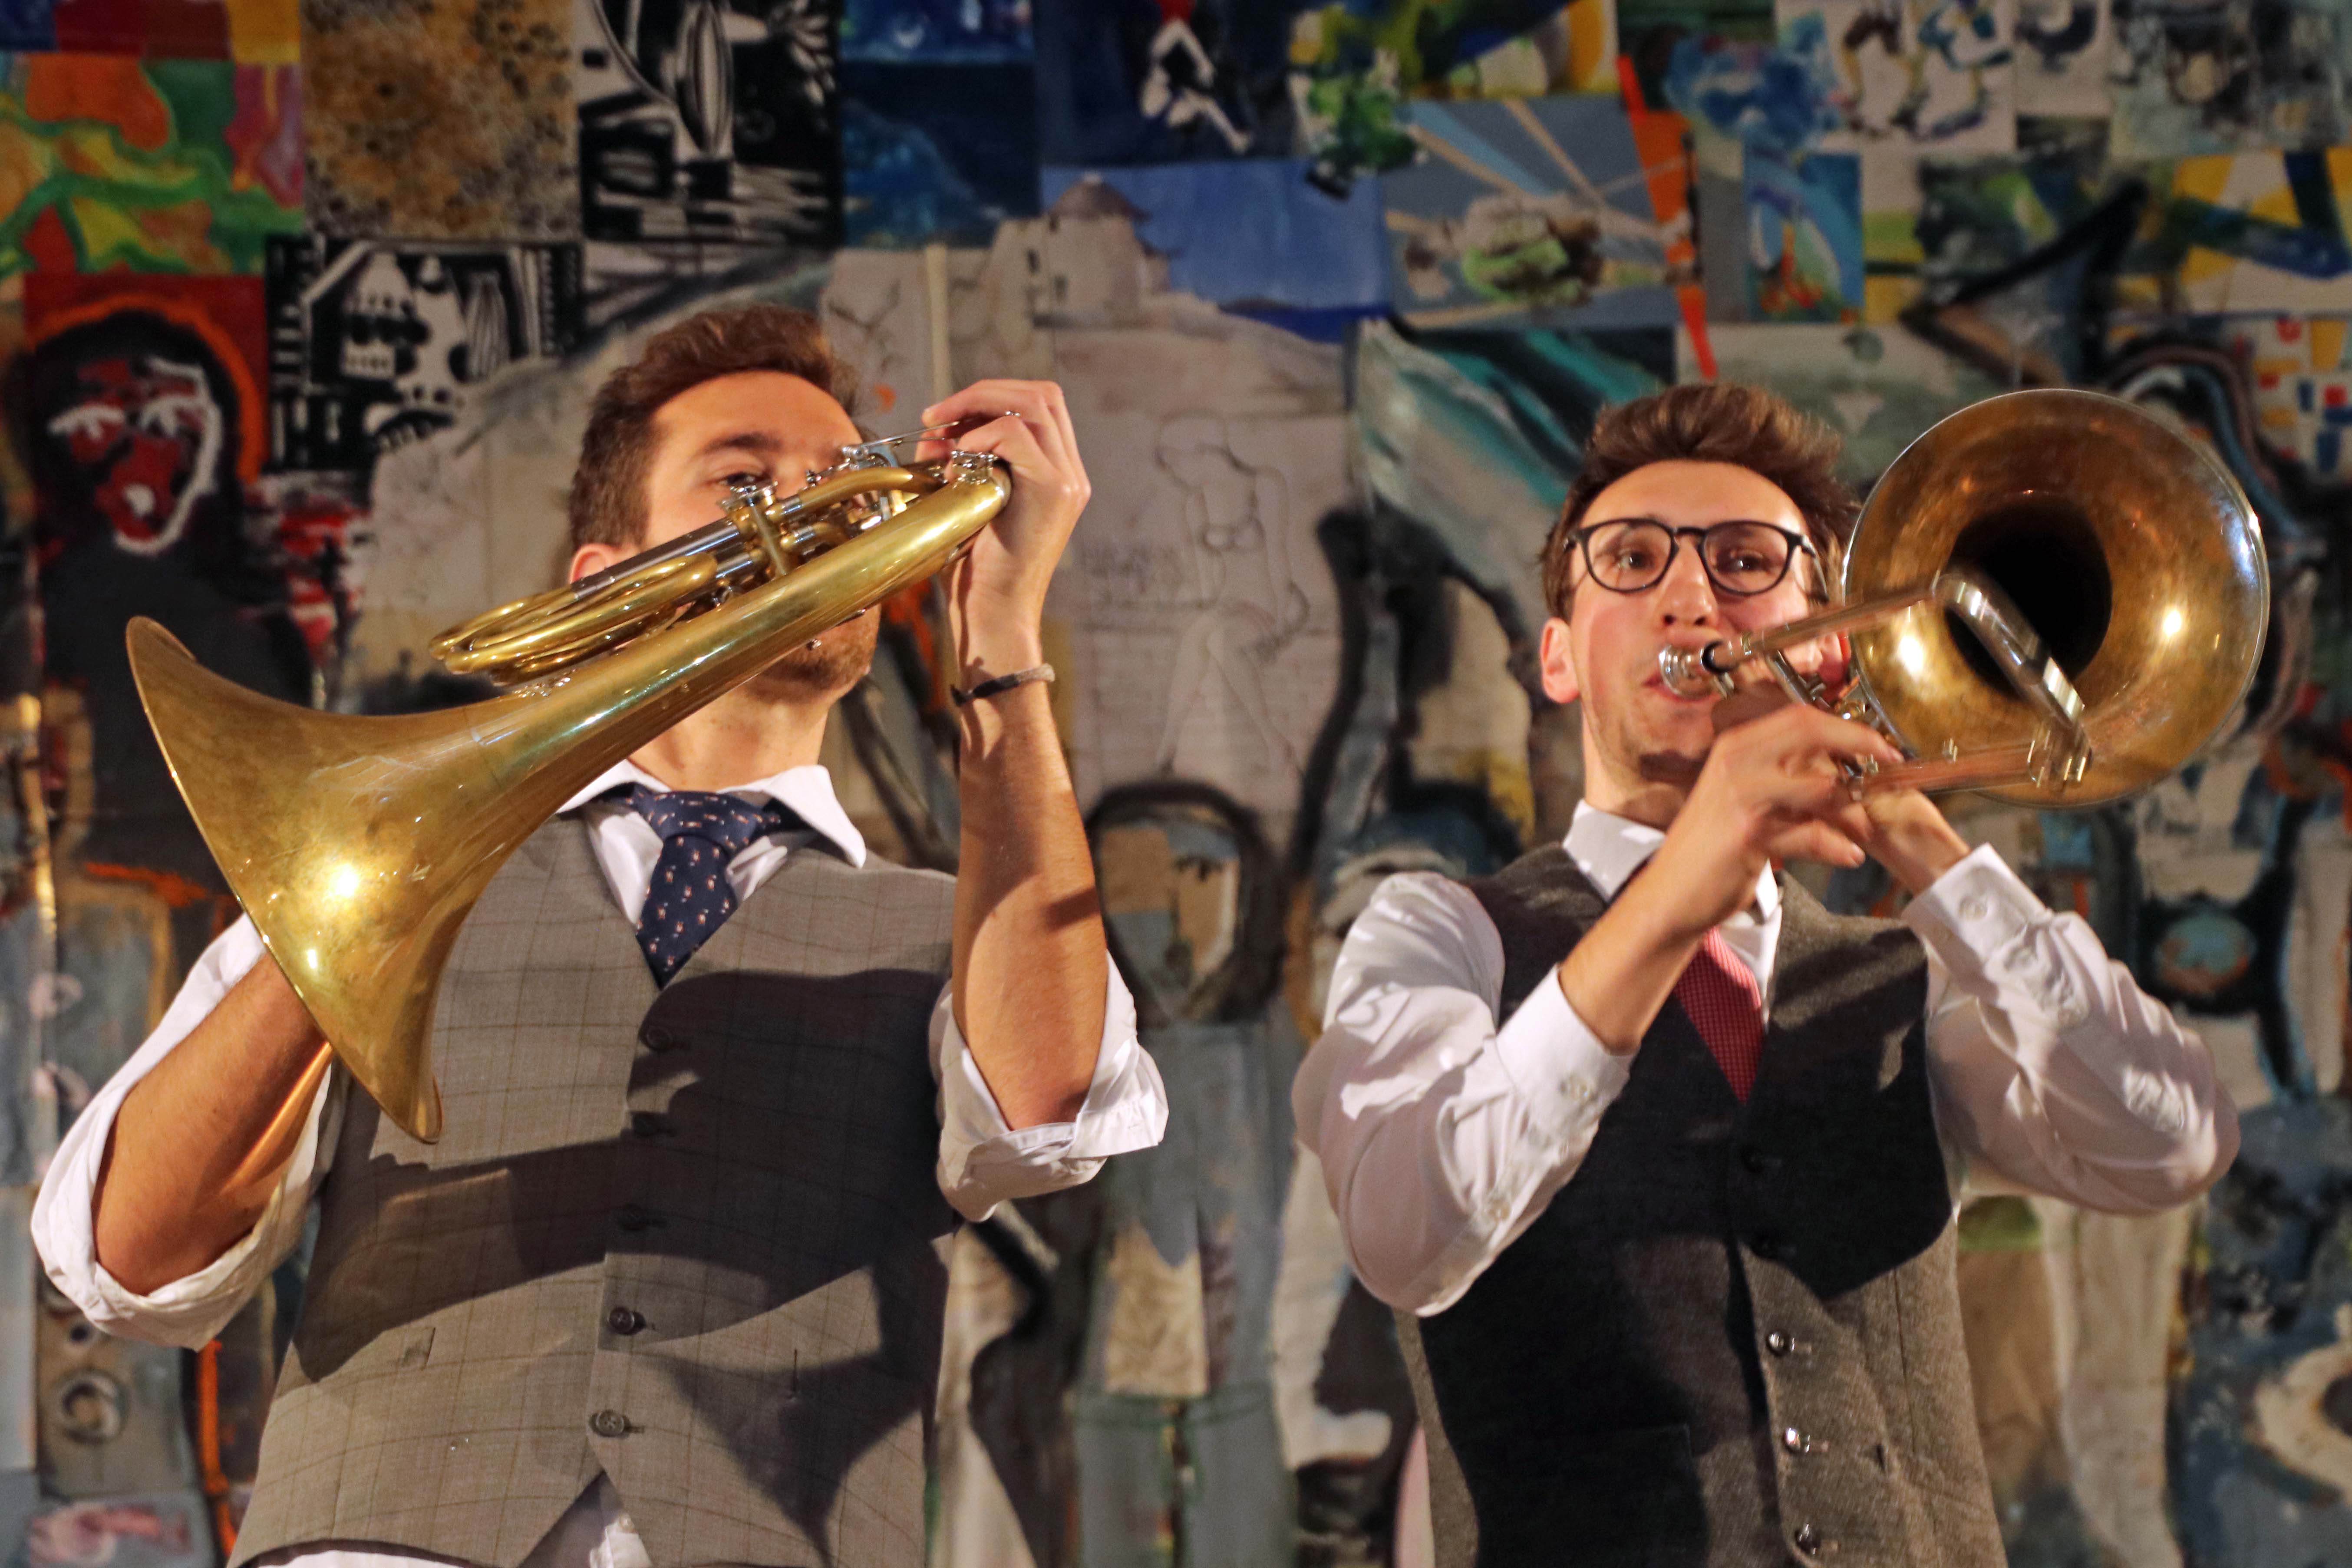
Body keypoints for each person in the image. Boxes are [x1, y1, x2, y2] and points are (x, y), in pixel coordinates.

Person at [33, 304, 1169, 1568]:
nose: (815, 512)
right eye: (744, 481)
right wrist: (358, 903)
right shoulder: (392, 874)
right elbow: (128, 1261)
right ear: (601, 580)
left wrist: (1001, 638)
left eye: (844, 481)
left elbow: (1049, 1116)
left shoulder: (955, 927)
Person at [1294, 383, 2238, 1568]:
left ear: (1827, 642)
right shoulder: (1438, 934)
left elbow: (2170, 1147)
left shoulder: (1907, 979)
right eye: (1631, 559)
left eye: (1745, 560)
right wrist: (1678, 887)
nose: (1692, 597)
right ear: (1557, 657)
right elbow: (1404, 1237)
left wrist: (1926, 847)